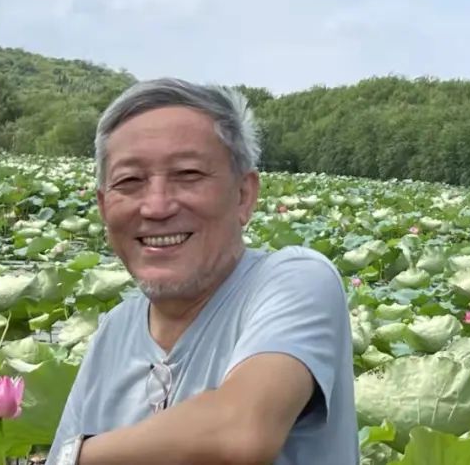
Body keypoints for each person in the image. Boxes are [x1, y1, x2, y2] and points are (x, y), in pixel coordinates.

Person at [47, 78, 358, 465]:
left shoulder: (296, 281)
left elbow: (240, 432)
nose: (157, 206)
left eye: (188, 174)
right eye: (130, 181)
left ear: (244, 195)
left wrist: (73, 457)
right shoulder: (112, 332)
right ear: (103, 206)